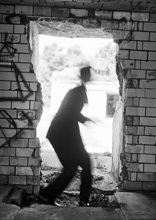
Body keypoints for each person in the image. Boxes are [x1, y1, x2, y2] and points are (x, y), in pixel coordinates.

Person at [40, 66, 94, 206]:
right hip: (63, 135)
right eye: (89, 74)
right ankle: (82, 200)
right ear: (85, 76)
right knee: (80, 166)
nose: (91, 76)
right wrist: (84, 119)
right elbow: (70, 112)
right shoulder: (78, 92)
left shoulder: (77, 91)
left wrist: (84, 119)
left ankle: (48, 195)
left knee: (73, 168)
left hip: (61, 134)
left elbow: (70, 112)